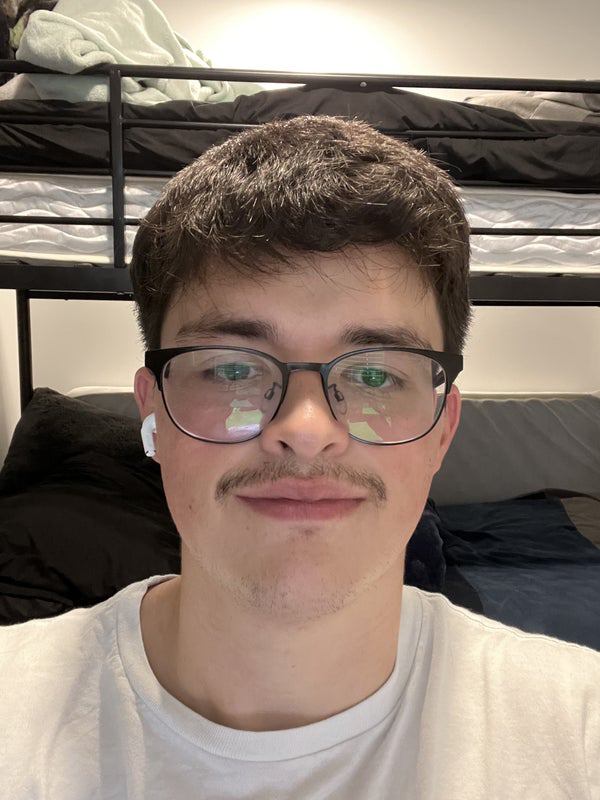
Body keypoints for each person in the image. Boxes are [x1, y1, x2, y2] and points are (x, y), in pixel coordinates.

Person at [2, 115, 599, 799]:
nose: (307, 429)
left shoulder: (580, 735)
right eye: (232, 369)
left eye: (374, 373)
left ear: (442, 430)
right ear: (153, 414)